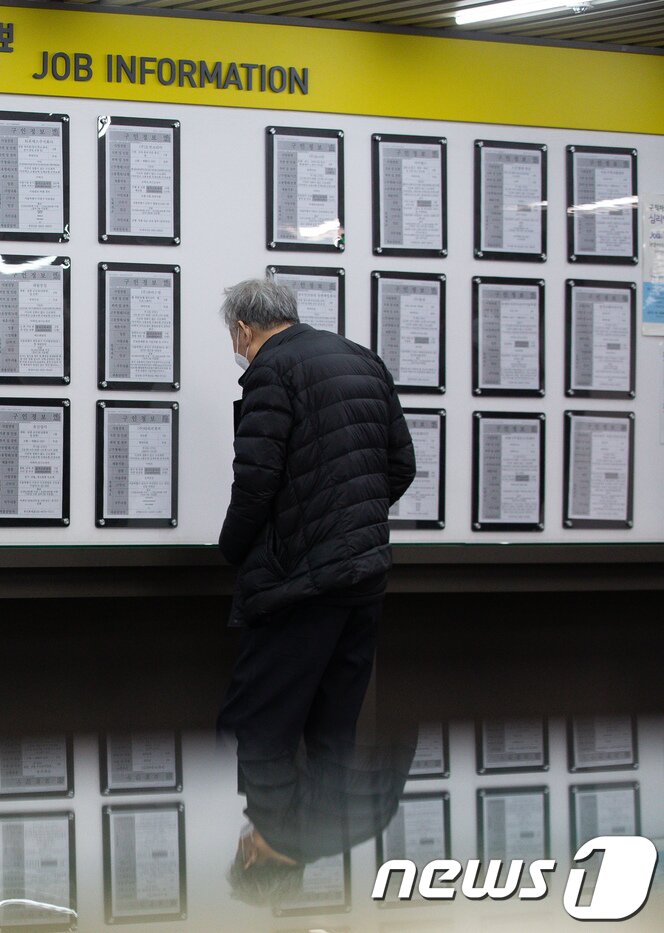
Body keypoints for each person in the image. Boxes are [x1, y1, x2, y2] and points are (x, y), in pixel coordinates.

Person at [213, 277, 417, 900]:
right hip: (364, 578)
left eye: (234, 340)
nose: (238, 352)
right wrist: (349, 526)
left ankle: (279, 823)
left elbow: (256, 483)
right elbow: (400, 465)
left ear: (244, 329)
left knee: (259, 724)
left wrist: (234, 549)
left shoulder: (272, 371)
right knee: (334, 729)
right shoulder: (361, 358)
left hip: (299, 583)